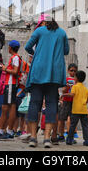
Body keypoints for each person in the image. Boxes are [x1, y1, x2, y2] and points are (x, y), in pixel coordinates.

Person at [24, 16, 69, 149]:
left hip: (38, 70)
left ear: (44, 23)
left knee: (34, 103)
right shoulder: (62, 33)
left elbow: (27, 47)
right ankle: (47, 138)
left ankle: (33, 137)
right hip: (54, 72)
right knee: (51, 104)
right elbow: (66, 51)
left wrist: (37, 53)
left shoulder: (39, 31)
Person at [0, 40, 21, 141]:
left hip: (10, 84)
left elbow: (15, 71)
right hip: (10, 84)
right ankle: (3, 130)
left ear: (11, 47)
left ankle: (8, 131)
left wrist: (5, 69)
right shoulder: (14, 58)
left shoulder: (15, 58)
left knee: (9, 108)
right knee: (7, 107)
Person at [62, 70, 88, 147]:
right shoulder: (85, 88)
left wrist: (64, 94)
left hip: (76, 110)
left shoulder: (75, 86)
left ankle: (69, 139)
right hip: (84, 110)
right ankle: (87, 140)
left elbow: (72, 94)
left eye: (74, 76)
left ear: (77, 78)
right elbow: (87, 99)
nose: (74, 78)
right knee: (85, 126)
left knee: (72, 125)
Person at [58, 63, 78, 142]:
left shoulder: (77, 80)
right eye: (71, 70)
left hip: (74, 101)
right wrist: (67, 87)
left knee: (71, 119)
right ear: (68, 71)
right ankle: (61, 135)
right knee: (62, 119)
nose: (73, 72)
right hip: (66, 100)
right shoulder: (66, 79)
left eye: (74, 71)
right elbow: (63, 90)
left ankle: (70, 136)